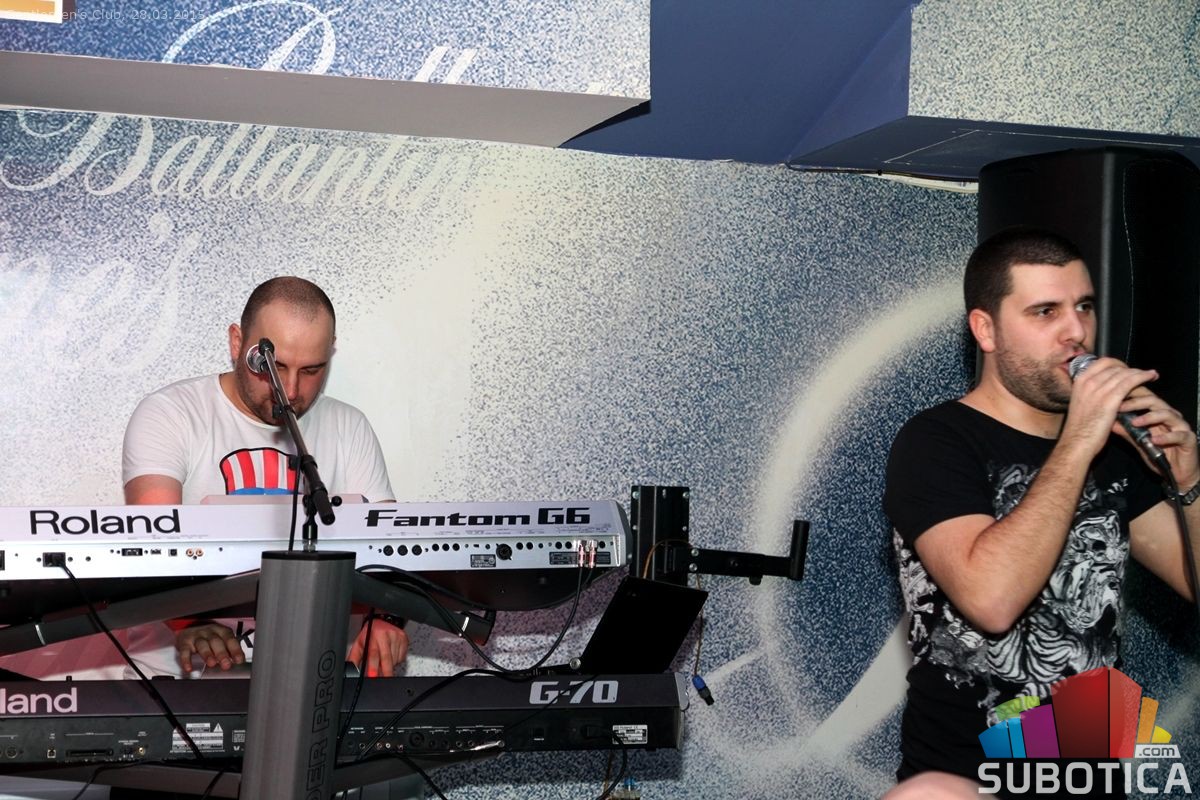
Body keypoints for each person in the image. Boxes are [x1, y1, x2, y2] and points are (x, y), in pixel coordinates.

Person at [882, 228, 1200, 795]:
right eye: (1045, 312)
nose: (1076, 331)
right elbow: (991, 600)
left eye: (1084, 307)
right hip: (966, 778)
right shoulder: (935, 442)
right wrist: (1079, 439)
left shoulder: (1115, 453)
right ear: (986, 329)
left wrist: (1190, 483)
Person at [122, 276, 408, 678]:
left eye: (312, 369)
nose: (289, 389)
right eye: (273, 367)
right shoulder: (171, 414)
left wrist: (388, 620)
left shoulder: (348, 426)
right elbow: (152, 544)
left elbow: (390, 555)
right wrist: (189, 623)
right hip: (179, 689)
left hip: (317, 688)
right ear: (237, 343)